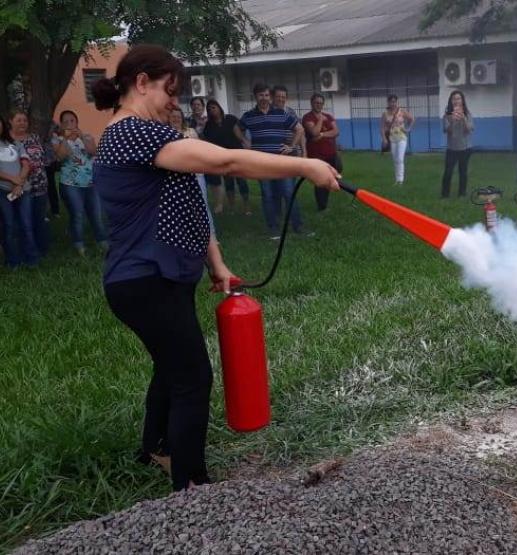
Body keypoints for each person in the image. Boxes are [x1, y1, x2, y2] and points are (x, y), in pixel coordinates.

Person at [90, 44, 339, 491]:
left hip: (163, 277)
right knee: (193, 378)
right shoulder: (132, 134)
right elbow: (228, 160)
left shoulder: (156, 137)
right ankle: (193, 488)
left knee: (171, 367)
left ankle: (156, 449)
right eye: (170, 90)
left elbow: (189, 203)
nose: (175, 101)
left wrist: (217, 263)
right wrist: (305, 164)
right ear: (141, 82)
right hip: (143, 281)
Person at [235, 83, 305, 238]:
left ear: (270, 96)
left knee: (289, 193)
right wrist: (245, 141)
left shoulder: (281, 113)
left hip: (281, 162)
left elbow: (300, 129)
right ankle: (273, 228)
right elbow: (236, 128)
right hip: (262, 164)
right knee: (267, 195)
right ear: (255, 96)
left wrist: (291, 146)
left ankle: (298, 226)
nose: (264, 98)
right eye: (261, 95)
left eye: (267, 95)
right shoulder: (249, 116)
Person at [52, 110, 108, 255]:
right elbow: (60, 156)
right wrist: (66, 139)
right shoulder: (57, 140)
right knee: (78, 214)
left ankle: (102, 241)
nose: (69, 124)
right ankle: (79, 244)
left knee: (96, 214)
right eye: (65, 122)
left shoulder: (87, 137)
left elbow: (93, 152)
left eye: (72, 121)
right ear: (62, 125)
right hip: (70, 184)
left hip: (90, 183)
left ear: (77, 122)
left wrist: (81, 136)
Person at [9, 110, 51, 255]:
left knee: (39, 218)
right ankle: (25, 250)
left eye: (25, 120)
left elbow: (43, 157)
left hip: (39, 185)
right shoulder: (6, 140)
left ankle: (43, 249)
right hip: (17, 187)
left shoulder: (34, 137)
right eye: (18, 120)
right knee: (21, 221)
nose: (22, 123)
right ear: (10, 121)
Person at [0, 115, 39, 268]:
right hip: (3, 192)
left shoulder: (13, 142)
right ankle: (13, 261)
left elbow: (26, 164)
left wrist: (19, 183)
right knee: (9, 225)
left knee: (26, 223)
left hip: (23, 190)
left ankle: (32, 259)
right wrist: (12, 179)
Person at [168, 108, 214, 234]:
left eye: (178, 116)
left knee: (201, 205)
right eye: (172, 116)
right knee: (179, 207)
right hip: (175, 176)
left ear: (182, 118)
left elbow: (199, 151)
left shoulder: (191, 131)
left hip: (195, 174)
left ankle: (210, 234)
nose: (175, 119)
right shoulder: (165, 133)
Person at [201, 99, 248, 215]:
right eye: (210, 109)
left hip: (237, 154)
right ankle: (232, 207)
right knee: (228, 183)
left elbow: (238, 134)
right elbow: (208, 142)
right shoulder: (209, 125)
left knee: (242, 182)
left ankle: (247, 207)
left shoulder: (230, 119)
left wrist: (246, 142)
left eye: (214, 107)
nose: (212, 110)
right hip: (223, 157)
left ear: (219, 107)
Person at [303, 93, 341, 211]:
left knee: (338, 170)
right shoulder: (308, 117)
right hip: (317, 155)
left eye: (320, 103)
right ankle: (322, 207)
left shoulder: (329, 117)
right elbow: (314, 132)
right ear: (312, 103)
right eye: (316, 103)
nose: (319, 105)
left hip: (331, 153)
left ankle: (326, 191)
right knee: (321, 180)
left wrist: (322, 135)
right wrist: (320, 119)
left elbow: (336, 131)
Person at [441, 90, 474, 198]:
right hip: (452, 148)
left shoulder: (468, 114)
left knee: (463, 172)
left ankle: (462, 194)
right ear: (451, 101)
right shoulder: (447, 115)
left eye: (458, 98)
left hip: (465, 148)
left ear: (462, 100)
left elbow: (469, 130)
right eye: (454, 98)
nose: (456, 101)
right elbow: (447, 131)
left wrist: (463, 118)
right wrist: (452, 121)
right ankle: (445, 195)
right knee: (448, 172)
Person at [380, 94, 414, 185]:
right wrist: (384, 139)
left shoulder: (401, 111)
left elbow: (411, 119)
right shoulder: (385, 113)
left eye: (394, 101)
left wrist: (407, 129)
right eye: (391, 101)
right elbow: (382, 127)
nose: (393, 103)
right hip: (392, 139)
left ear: (396, 102)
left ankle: (401, 180)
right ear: (388, 102)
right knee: (395, 159)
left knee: (400, 158)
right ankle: (397, 179)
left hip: (402, 137)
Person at [271, 85, 306, 158]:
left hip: (291, 152)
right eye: (278, 96)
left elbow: (301, 132)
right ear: (272, 97)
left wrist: (303, 151)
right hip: (274, 153)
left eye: (283, 97)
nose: (281, 99)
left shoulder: (291, 112)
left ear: (286, 98)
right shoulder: (268, 112)